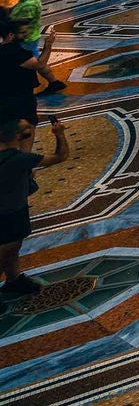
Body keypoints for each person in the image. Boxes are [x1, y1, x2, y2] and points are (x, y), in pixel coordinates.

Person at [0, 114, 71, 297]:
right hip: (9, 213)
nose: (30, 128)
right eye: (26, 128)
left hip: (11, 209)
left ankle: (14, 280)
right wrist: (59, 134)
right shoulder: (19, 159)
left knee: (11, 249)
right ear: (17, 136)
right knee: (6, 251)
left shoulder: (11, 157)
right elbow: (60, 156)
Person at [7, 0, 43, 65]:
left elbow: (23, 23)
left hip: (26, 40)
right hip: (29, 38)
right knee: (36, 61)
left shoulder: (29, 5)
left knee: (32, 62)